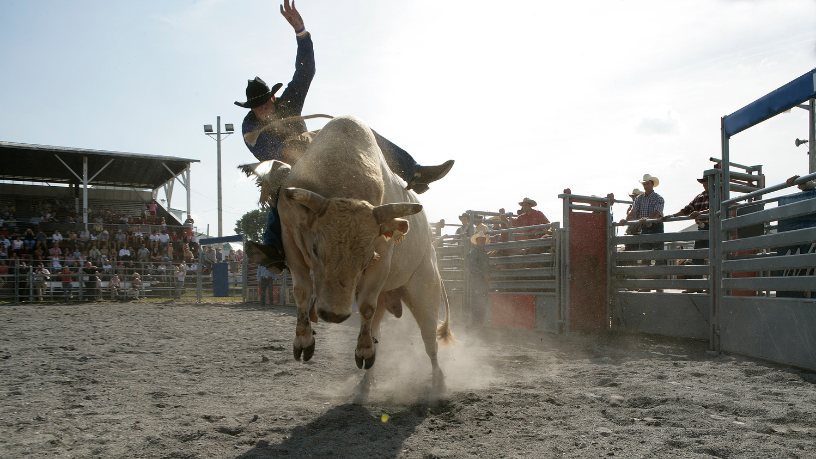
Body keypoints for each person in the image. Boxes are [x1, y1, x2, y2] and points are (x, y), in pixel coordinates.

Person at [239, 1, 454, 272]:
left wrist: (301, 32)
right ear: (251, 109)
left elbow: (305, 72)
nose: (261, 108)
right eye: (256, 106)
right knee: (281, 185)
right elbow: (268, 151)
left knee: (362, 133)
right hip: (290, 164)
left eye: (264, 102)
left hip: (313, 149)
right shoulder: (250, 126)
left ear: (272, 97)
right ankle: (274, 248)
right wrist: (289, 150)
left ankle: (412, 172)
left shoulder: (288, 102)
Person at [665, 174, 710, 292]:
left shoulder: (718, 195)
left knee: (713, 257)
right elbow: (686, 209)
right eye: (704, 182)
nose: (705, 183)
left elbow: (717, 208)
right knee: (697, 258)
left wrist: (700, 213)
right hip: (701, 228)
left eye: (707, 181)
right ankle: (698, 286)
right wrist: (673, 216)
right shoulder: (699, 196)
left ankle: (710, 286)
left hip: (713, 228)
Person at [626, 174, 665, 291]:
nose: (646, 186)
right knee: (644, 256)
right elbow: (633, 212)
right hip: (645, 227)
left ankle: (658, 285)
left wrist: (646, 219)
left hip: (655, 227)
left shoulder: (659, 198)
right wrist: (626, 219)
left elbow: (657, 213)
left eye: (648, 183)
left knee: (658, 257)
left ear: (652, 184)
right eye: (644, 184)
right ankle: (646, 285)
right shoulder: (639, 199)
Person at [468, 231, 492, 327]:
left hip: (482, 281)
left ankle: (478, 325)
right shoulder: (473, 252)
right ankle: (476, 325)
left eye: (483, 240)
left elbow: (484, 267)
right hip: (477, 281)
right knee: (478, 303)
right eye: (480, 240)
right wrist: (484, 274)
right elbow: (472, 267)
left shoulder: (483, 253)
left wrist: (493, 269)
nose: (482, 241)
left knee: (482, 303)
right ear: (477, 241)